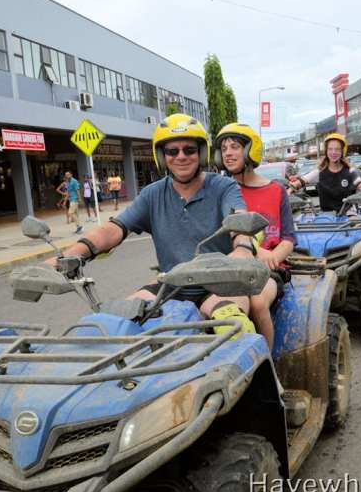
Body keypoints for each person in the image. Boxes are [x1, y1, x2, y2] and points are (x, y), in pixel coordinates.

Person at [47, 114, 258, 337]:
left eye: (189, 149)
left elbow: (239, 221)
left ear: (202, 153)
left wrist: (243, 249)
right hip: (169, 287)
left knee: (234, 326)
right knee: (103, 328)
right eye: (172, 151)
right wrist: (67, 257)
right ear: (161, 156)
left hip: (220, 285)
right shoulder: (152, 194)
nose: (181, 156)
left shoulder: (223, 187)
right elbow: (113, 229)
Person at [216, 122, 295, 351]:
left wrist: (273, 256)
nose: (228, 153)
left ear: (251, 150)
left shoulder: (276, 190)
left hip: (267, 270)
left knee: (258, 302)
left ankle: (267, 366)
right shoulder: (220, 191)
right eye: (223, 149)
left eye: (235, 147)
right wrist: (251, 249)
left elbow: (288, 238)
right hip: (230, 267)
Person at [289, 133, 361, 212]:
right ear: (326, 151)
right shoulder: (319, 172)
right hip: (326, 219)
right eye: (330, 149)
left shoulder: (350, 171)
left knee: (359, 223)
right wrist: (289, 190)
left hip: (347, 216)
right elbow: (300, 182)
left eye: (337, 149)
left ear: (342, 151)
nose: (333, 152)